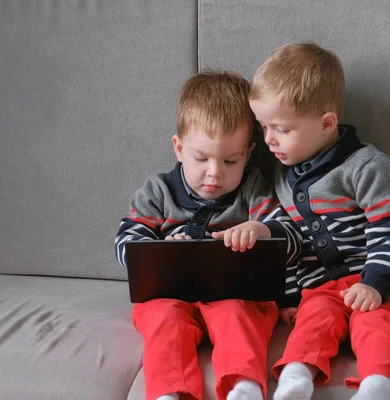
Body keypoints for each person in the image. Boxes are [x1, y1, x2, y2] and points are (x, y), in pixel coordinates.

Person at [246, 42, 390, 400]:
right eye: (263, 126)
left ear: (327, 123)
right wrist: (287, 294)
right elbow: (292, 240)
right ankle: (296, 378)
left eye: (280, 129)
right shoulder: (283, 176)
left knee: (377, 325)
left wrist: (375, 283)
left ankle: (378, 385)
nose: (268, 140)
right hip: (324, 290)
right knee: (312, 325)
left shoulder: (370, 168)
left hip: (385, 280)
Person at [114, 71, 300, 400]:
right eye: (201, 159)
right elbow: (127, 241)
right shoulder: (158, 191)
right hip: (170, 296)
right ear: (179, 148)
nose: (215, 173)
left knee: (238, 315)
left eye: (231, 160)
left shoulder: (253, 187)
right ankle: (170, 393)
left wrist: (259, 229)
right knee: (162, 319)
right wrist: (160, 249)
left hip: (234, 294)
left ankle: (244, 387)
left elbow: (287, 237)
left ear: (248, 153)